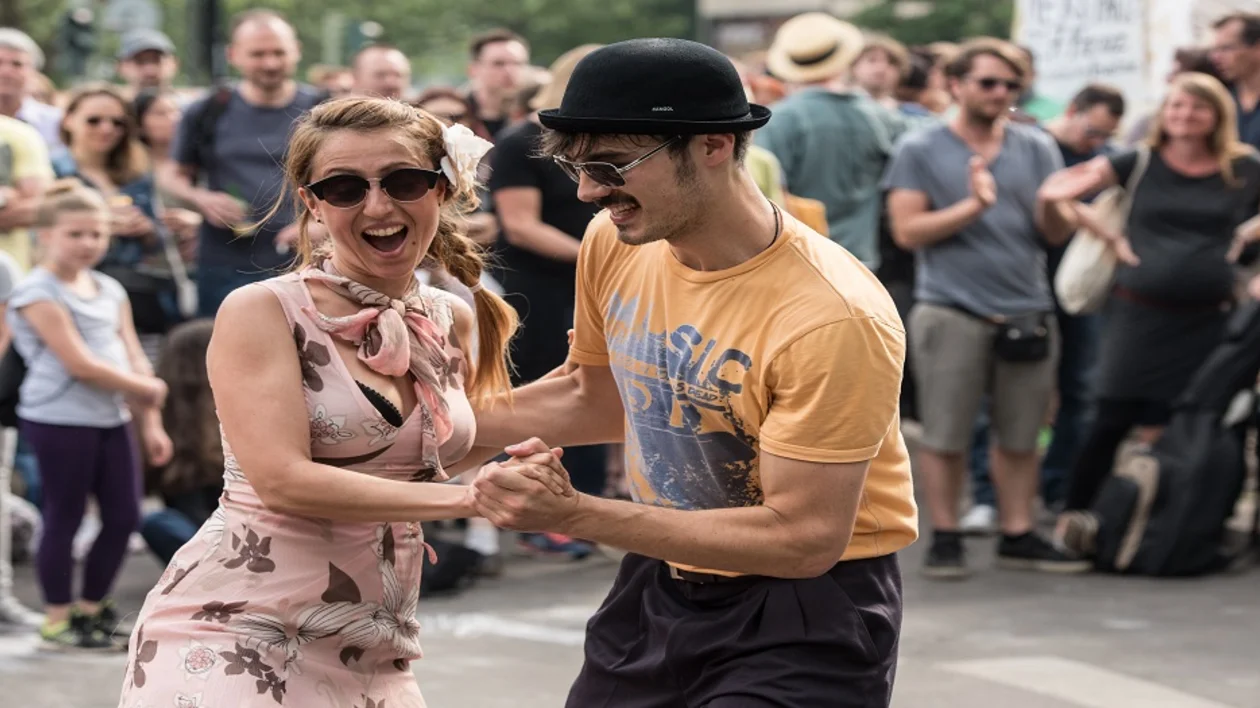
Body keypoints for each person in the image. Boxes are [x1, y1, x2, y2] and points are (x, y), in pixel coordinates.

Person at [469, 38, 918, 706]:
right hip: (662, 579)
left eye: (610, 165)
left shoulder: (833, 315)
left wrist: (574, 513)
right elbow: (596, 396)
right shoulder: (617, 241)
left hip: (807, 609)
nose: (589, 191)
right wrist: (429, 428)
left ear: (712, 145)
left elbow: (802, 539)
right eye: (576, 167)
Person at [116, 97, 545, 706]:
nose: (379, 205)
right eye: (344, 188)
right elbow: (283, 482)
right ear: (312, 203)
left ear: (442, 187)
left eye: (404, 181)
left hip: (374, 647)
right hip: (233, 632)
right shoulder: (264, 310)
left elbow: (445, 452)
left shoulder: (451, 316)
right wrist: (476, 501)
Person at [882, 38, 1082, 578]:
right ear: (956, 84)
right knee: (945, 435)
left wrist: (1058, 207)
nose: (1000, 92)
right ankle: (946, 536)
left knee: (1021, 436)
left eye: (1011, 85)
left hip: (1027, 308)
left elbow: (1052, 234)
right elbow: (907, 231)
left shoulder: (1036, 146)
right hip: (952, 309)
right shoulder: (920, 148)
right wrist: (974, 206)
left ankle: (1018, 533)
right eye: (988, 82)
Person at [1038, 73, 1260, 552]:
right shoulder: (1138, 159)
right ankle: (1074, 521)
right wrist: (1108, 235)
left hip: (1207, 318)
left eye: (1198, 107)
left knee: (1187, 422)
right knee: (1110, 416)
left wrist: (1249, 233)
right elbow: (1057, 191)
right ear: (1164, 111)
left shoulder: (1243, 166)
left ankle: (1163, 530)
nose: (1185, 115)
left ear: (1217, 115)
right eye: (1177, 105)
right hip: (1137, 315)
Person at [7, 181, 172, 650]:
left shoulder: (110, 288)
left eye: (96, 234)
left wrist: (150, 421)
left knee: (124, 515)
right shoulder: (36, 292)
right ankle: (58, 617)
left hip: (111, 418)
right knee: (65, 514)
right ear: (45, 235)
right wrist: (145, 388)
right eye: (75, 234)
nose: (88, 243)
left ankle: (91, 607)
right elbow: (79, 364)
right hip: (59, 420)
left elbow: (133, 353)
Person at [158, 10, 325, 316]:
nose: (270, 63)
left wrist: (321, 224)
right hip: (225, 261)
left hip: (307, 260)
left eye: (279, 53)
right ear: (233, 55)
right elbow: (172, 173)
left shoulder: (323, 110)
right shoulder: (208, 110)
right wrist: (202, 199)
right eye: (258, 54)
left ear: (297, 51)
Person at [755, 12, 905, 271]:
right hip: (862, 261)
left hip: (802, 260)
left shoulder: (780, 120)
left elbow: (762, 196)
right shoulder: (881, 117)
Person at [115, 30, 179, 96]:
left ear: (174, 64)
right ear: (120, 67)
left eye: (157, 60)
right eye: (140, 61)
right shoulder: (111, 101)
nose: (150, 71)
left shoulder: (183, 101)